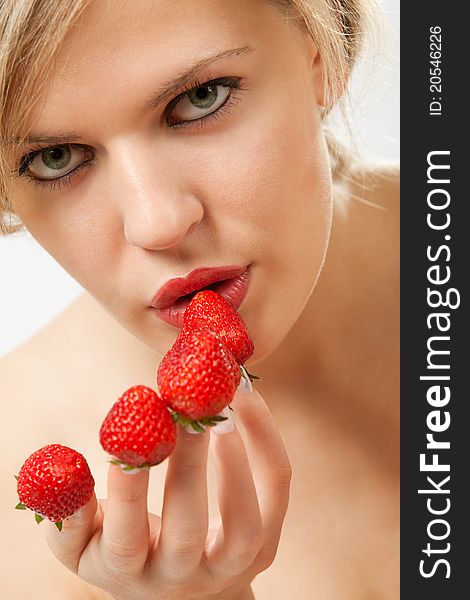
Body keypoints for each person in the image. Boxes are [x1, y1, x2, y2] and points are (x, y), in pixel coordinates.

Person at [0, 0, 399, 598]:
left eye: (202, 97)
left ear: (323, 55)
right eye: (55, 159)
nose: (156, 222)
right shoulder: (28, 534)